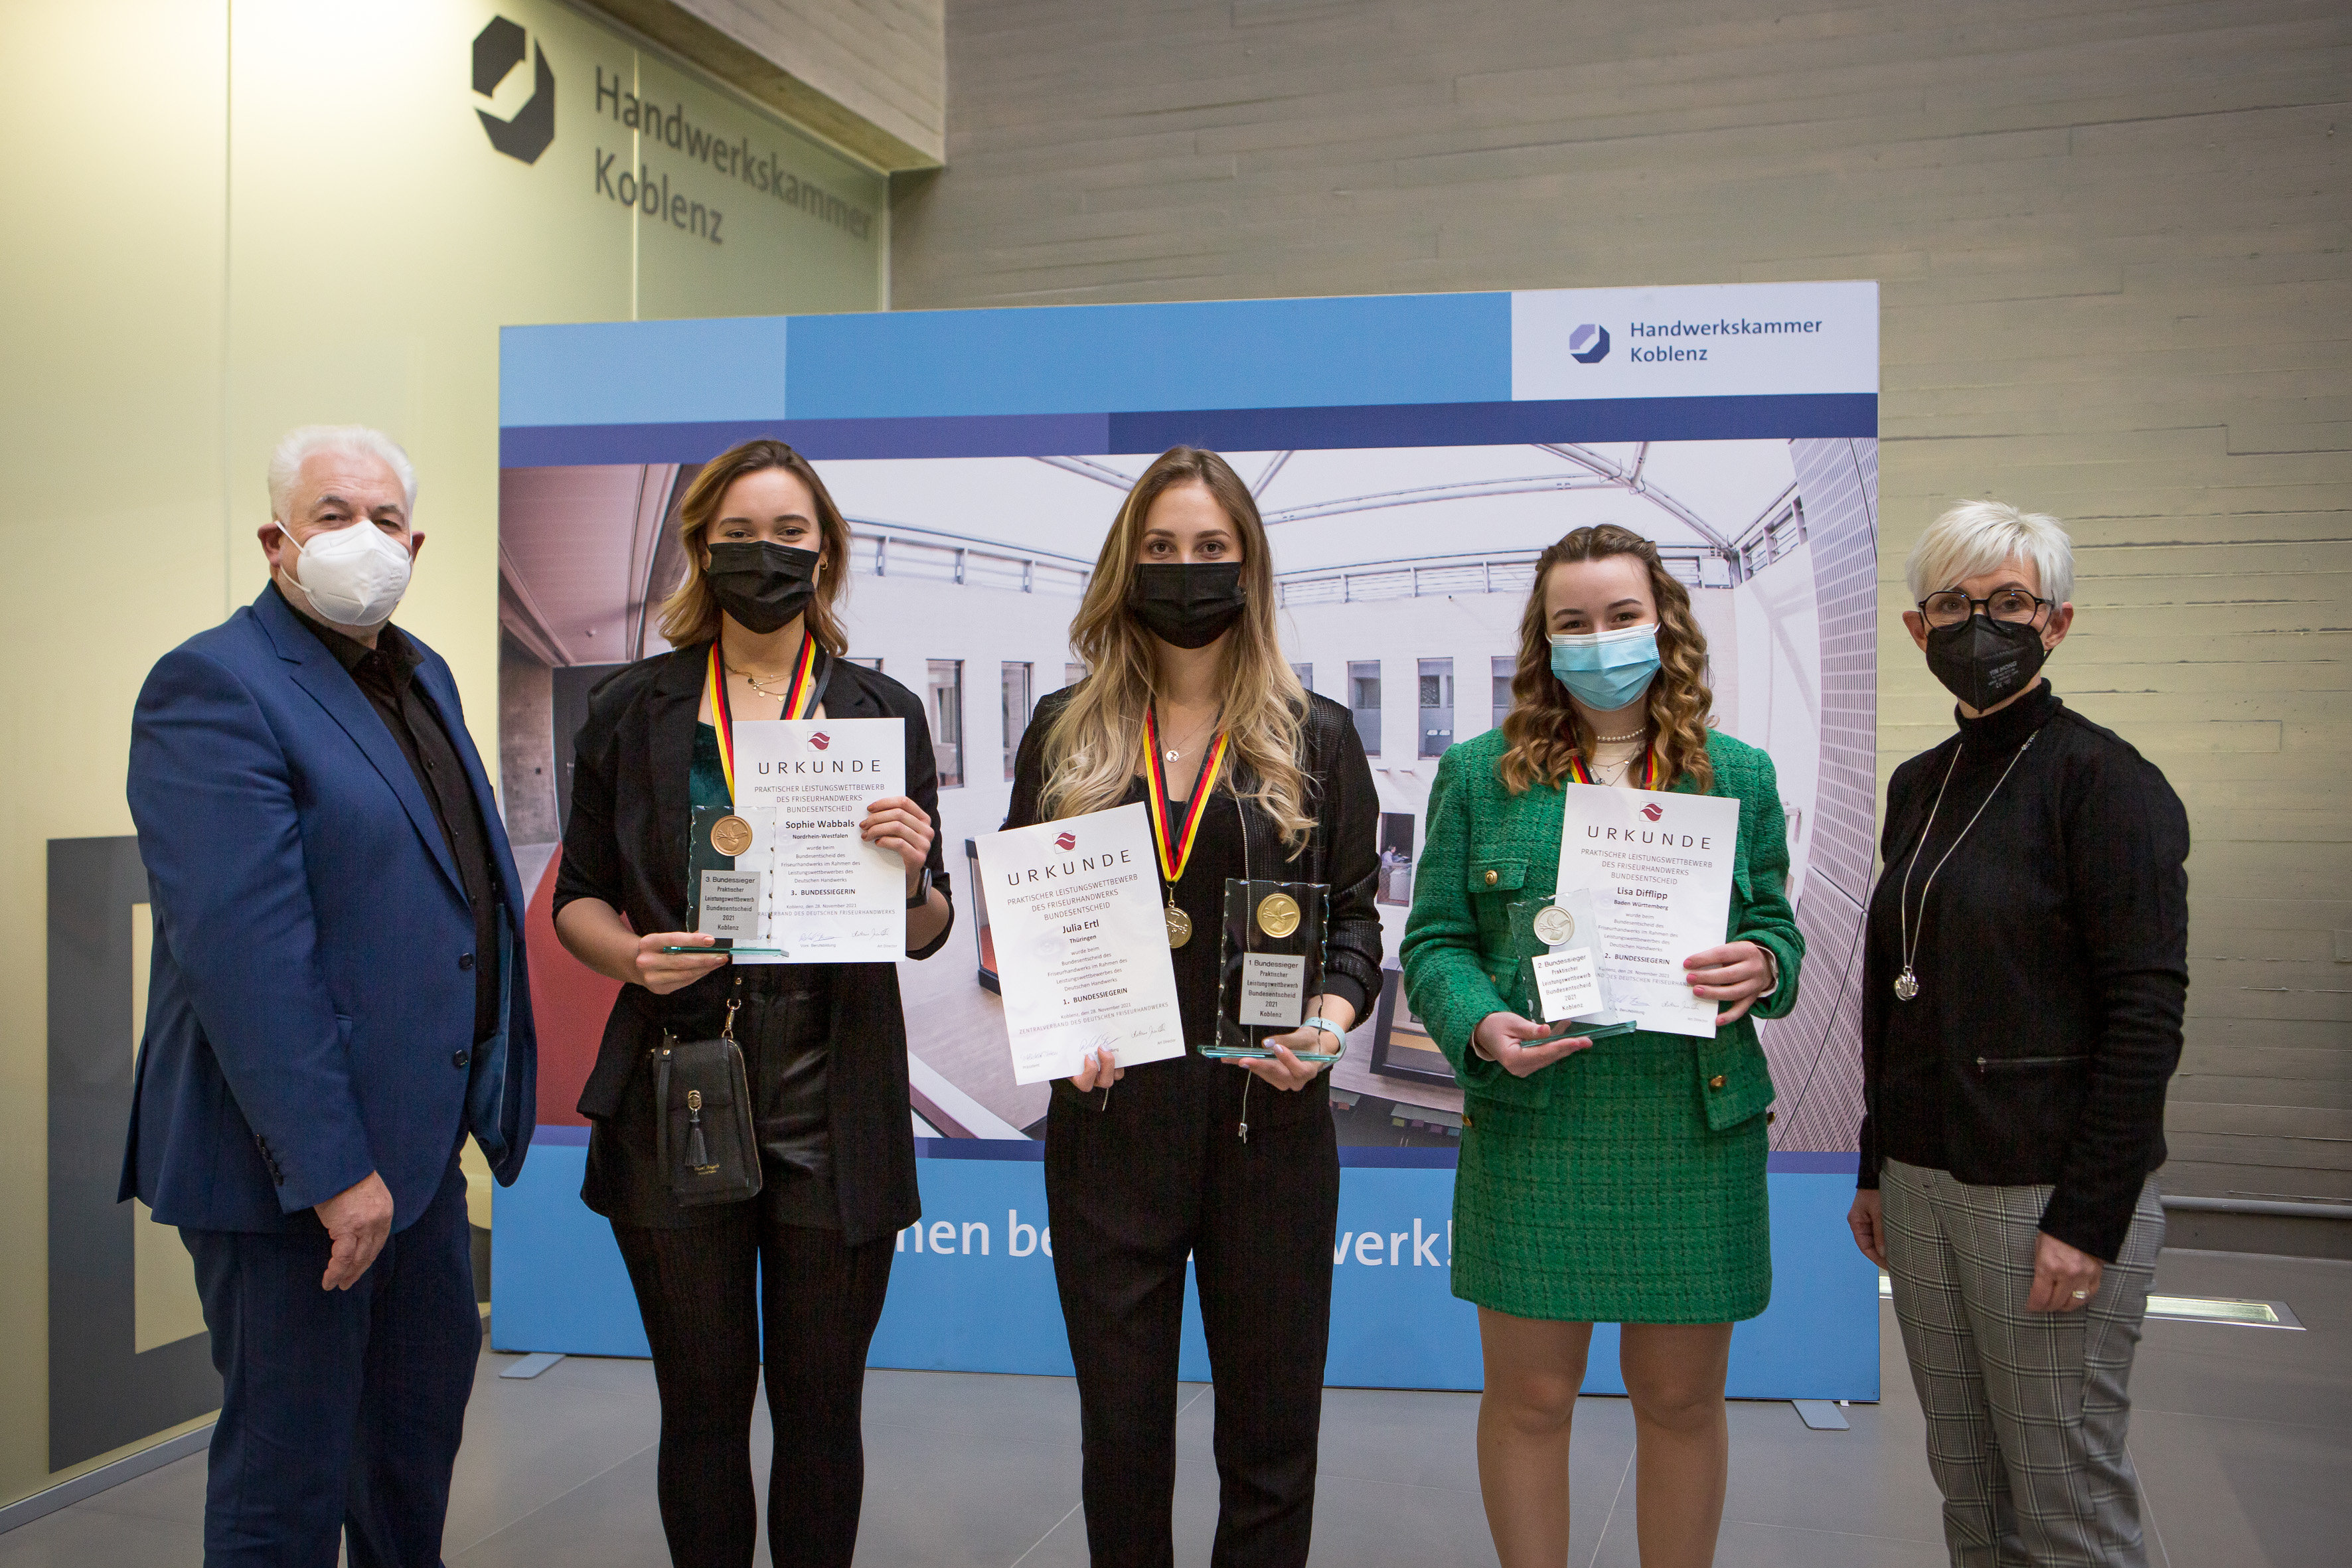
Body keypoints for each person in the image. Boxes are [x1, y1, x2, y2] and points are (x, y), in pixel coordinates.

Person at [122, 424, 538, 1567]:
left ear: (418, 542)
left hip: (413, 1158)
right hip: (292, 1180)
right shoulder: (214, 684)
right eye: (333, 514)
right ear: (276, 540)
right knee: (285, 1482)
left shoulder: (424, 674)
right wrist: (333, 1170)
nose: (366, 539)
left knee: (409, 1454)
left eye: (386, 519)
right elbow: (247, 955)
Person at [552, 437, 953, 1568]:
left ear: (825, 552)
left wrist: (915, 869)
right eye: (738, 536)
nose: (763, 555)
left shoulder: (883, 709)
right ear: (701, 550)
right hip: (680, 1078)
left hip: (837, 1089)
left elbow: (925, 930)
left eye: (789, 534)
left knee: (824, 1413)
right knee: (702, 1406)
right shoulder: (634, 706)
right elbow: (576, 897)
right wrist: (633, 959)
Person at [1002, 446, 1381, 1568]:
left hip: (1269, 1128)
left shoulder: (1316, 735)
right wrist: (1062, 1029)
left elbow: (1355, 919)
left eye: (1211, 549)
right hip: (1109, 1129)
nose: (1186, 570)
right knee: (1122, 1442)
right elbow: (1028, 911)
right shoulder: (1065, 730)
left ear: (1248, 566)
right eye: (1161, 549)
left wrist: (1332, 1014)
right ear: (1128, 565)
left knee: (1271, 1444)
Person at [1399, 523, 1802, 1568]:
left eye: (1621, 616)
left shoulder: (1741, 776)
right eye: (1571, 622)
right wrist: (1479, 1023)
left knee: (1679, 1401)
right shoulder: (1481, 775)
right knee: (1530, 1399)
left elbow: (1776, 927)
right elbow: (1437, 937)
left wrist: (1763, 964)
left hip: (1688, 1122)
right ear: (1544, 640)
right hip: (1540, 1124)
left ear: (1663, 622)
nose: (1599, 640)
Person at [1847, 501, 2189, 1568]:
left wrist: (2089, 1217)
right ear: (1918, 629)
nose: (1979, 624)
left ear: (2057, 622)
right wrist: (1875, 1164)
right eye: (1953, 603)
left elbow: (2147, 1013)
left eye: (2008, 602)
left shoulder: (2107, 782)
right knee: (1971, 1479)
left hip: (2046, 1192)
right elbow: (1896, 994)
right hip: (1923, 1178)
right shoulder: (1917, 784)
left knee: (2061, 1496)